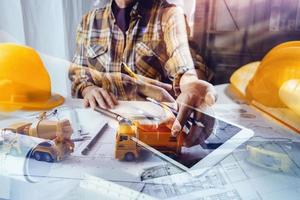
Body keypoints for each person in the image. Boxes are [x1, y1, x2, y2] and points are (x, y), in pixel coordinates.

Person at [69, 0, 217, 147]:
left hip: (152, 132)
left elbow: (184, 62)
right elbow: (78, 74)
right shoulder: (88, 20)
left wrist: (192, 85)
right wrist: (88, 89)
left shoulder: (169, 15)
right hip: (100, 132)